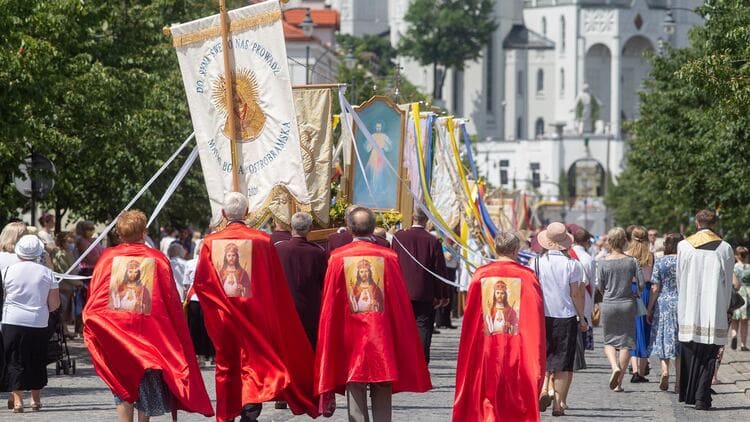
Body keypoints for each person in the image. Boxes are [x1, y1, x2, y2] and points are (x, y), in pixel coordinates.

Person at [193, 192, 319, 422]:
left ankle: (227, 413)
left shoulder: (210, 242)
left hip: (224, 317)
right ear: (248, 213)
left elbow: (201, 282)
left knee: (226, 365)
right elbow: (274, 282)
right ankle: (250, 408)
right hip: (254, 314)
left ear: (223, 214)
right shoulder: (261, 240)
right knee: (254, 360)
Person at [83, 210, 213, 421]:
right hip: (149, 338)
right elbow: (169, 299)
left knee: (122, 385)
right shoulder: (157, 259)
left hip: (117, 336)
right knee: (147, 385)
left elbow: (94, 295)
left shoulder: (108, 258)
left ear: (119, 233)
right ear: (144, 232)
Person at [316, 206, 431, 422]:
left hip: (350, 337)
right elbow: (399, 303)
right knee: (381, 383)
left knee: (355, 382)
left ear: (350, 227)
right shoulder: (388, 257)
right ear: (373, 227)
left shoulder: (337, 257)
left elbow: (330, 303)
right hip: (381, 335)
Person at [453, 231, 545, 421]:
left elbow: (470, 314)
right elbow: (534, 315)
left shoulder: (482, 274)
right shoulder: (527, 276)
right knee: (513, 391)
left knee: (488, 391)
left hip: (486, 345)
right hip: (516, 348)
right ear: (515, 249)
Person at [677, 209, 734, 410]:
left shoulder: (683, 246)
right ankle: (702, 396)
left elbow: (679, 278)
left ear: (696, 224)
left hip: (690, 306)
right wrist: (726, 306)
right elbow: (727, 282)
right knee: (710, 353)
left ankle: (689, 392)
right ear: (715, 225)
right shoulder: (725, 248)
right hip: (714, 306)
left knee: (691, 350)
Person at [530, 222, 586, 416]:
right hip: (566, 315)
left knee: (544, 356)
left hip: (541, 316)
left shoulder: (535, 263)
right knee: (563, 362)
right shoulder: (573, 265)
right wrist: (582, 317)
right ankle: (558, 404)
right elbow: (576, 294)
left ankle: (545, 388)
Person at [2, 235, 60, 413]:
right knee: (36, 359)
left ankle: (18, 401)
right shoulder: (48, 273)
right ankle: (36, 400)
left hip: (11, 320)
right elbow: (54, 304)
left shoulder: (6, 271)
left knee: (14, 359)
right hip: (37, 321)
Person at [391, 208, 448, 364]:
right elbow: (439, 270)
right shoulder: (432, 240)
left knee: (402, 327)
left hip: (402, 290)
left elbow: (393, 263)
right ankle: (421, 364)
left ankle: (402, 362)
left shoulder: (398, 237)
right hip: (424, 291)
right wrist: (442, 294)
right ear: (427, 220)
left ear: (412, 218)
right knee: (423, 327)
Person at [597, 227, 644, 392]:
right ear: (625, 241)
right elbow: (641, 283)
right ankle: (619, 383)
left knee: (609, 340)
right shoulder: (632, 261)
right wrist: (636, 293)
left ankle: (614, 366)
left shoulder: (603, 262)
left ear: (609, 242)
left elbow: (600, 285)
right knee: (626, 343)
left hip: (609, 303)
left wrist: (607, 294)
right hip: (627, 303)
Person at [274, 212, 327, 347]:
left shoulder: (278, 249)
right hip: (310, 308)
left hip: (283, 307)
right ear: (310, 229)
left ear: (291, 226)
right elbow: (324, 281)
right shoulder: (318, 252)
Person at [647, 233, 684, 392]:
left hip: (663, 303)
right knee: (680, 342)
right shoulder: (685, 262)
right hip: (682, 303)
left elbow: (655, 288)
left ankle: (664, 370)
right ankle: (679, 382)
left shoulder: (661, 261)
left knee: (663, 338)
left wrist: (649, 308)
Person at [626, 226, 655, 383]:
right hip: (646, 291)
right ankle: (642, 371)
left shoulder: (628, 255)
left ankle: (635, 369)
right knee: (645, 329)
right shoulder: (650, 256)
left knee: (633, 331)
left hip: (631, 290)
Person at [182, 254, 215, 366]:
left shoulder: (190, 263)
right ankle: (211, 355)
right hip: (203, 298)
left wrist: (184, 298)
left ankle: (201, 356)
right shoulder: (212, 262)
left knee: (197, 328)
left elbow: (185, 285)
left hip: (199, 298)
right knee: (207, 328)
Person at [730, 246, 750, 351]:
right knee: (744, 322)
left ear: (737, 255)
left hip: (737, 295)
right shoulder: (749, 268)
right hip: (747, 295)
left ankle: (733, 335)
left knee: (734, 320)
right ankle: (743, 344)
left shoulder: (734, 267)